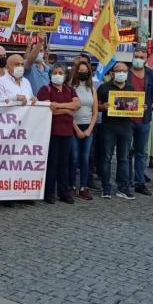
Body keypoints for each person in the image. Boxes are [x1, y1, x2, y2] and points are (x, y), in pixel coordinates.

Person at [37, 64, 80, 204]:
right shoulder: (45, 89)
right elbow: (48, 110)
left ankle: (64, 192)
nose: (58, 75)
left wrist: (59, 106)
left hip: (67, 131)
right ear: (50, 74)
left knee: (64, 163)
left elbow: (77, 105)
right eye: (55, 72)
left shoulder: (70, 90)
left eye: (60, 72)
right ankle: (49, 193)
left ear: (65, 75)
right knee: (52, 163)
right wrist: (68, 109)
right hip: (51, 131)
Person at [97, 62, 136, 200]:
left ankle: (123, 188)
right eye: (118, 70)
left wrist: (140, 107)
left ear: (127, 73)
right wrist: (103, 106)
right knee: (106, 157)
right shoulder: (104, 88)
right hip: (108, 127)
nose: (121, 73)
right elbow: (96, 106)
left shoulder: (132, 89)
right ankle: (105, 187)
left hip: (126, 127)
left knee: (124, 158)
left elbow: (135, 108)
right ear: (112, 73)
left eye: (123, 71)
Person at [128, 48, 153, 196]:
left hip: (143, 119)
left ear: (146, 59)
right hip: (126, 119)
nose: (138, 59)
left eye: (141, 57)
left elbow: (151, 96)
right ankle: (126, 180)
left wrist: (145, 107)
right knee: (126, 151)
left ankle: (140, 182)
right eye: (136, 56)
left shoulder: (151, 75)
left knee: (141, 153)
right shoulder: (125, 73)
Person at [70, 59, 98, 200]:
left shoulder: (92, 89)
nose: (83, 73)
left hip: (88, 127)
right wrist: (77, 129)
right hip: (74, 126)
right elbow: (69, 111)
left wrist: (89, 130)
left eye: (85, 71)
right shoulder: (71, 88)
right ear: (76, 72)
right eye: (80, 71)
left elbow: (95, 111)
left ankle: (83, 187)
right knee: (74, 157)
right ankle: (72, 186)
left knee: (85, 158)